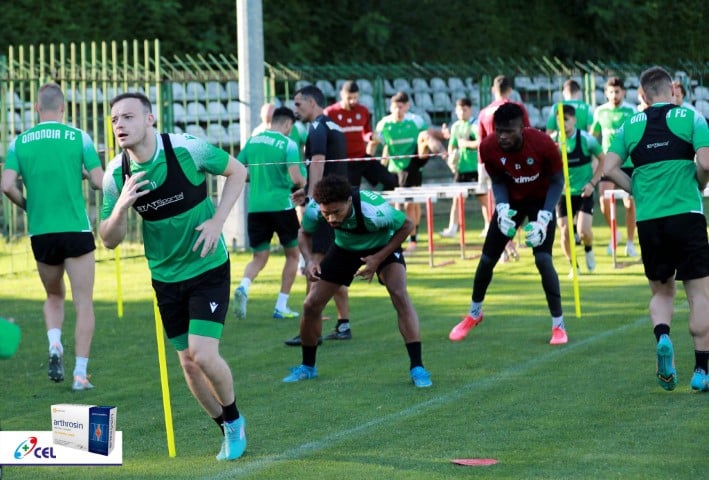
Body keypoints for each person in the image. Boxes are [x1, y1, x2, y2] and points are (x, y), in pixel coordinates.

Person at [99, 92, 248, 460]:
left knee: (202, 353)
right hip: (165, 278)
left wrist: (218, 221)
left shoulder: (186, 149)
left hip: (207, 266)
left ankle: (234, 420)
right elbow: (109, 240)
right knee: (188, 364)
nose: (120, 125)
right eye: (115, 119)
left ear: (150, 119)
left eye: (128, 117)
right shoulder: (116, 174)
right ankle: (225, 427)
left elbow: (238, 171)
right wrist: (121, 207)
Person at [603, 66, 709, 392]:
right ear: (672, 91)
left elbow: (609, 167)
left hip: (649, 220)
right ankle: (701, 371)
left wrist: (635, 188)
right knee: (700, 294)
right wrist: (699, 182)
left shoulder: (629, 124)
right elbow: (706, 163)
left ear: (642, 95)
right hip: (687, 214)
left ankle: (663, 335)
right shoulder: (691, 117)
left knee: (662, 292)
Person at [282, 174, 432, 388]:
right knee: (311, 304)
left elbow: (407, 225)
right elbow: (304, 233)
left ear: (349, 201)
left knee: (399, 293)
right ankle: (307, 367)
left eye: (337, 212)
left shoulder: (373, 209)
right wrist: (310, 260)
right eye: (327, 213)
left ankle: (418, 367)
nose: (331, 219)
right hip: (344, 250)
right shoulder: (315, 208)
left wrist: (378, 258)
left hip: (383, 247)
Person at [1, 82, 103, 391]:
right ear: (63, 108)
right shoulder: (79, 137)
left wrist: (27, 205)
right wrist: (86, 175)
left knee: (54, 296)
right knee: (83, 302)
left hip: (42, 233)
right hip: (75, 230)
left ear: (36, 108)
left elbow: (6, 185)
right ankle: (80, 375)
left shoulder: (19, 143)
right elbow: (100, 181)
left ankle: (54, 344)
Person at [448, 103, 568, 345]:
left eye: (509, 131)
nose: (502, 136)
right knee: (486, 259)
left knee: (543, 260)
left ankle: (558, 325)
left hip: (540, 202)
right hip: (512, 202)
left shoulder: (543, 143)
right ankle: (474, 313)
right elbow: (498, 180)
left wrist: (545, 216)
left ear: (522, 128)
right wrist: (501, 207)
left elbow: (557, 181)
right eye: (499, 130)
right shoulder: (488, 146)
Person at [285, 85, 351, 345]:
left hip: (326, 207)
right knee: (333, 268)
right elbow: (332, 169)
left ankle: (310, 331)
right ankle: (343, 325)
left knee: (315, 267)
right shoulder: (333, 126)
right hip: (338, 203)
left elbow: (319, 161)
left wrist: (312, 197)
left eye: (298, 104)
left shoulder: (316, 127)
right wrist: (307, 190)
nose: (295, 109)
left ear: (312, 102)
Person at [232, 107, 306, 321]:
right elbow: (296, 179)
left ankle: (244, 286)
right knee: (293, 255)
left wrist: (257, 176)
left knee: (259, 257)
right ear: (288, 124)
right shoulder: (288, 144)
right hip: (281, 205)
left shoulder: (252, 141)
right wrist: (307, 183)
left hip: (256, 208)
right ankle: (281, 305)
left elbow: (238, 168)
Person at [371, 91, 445, 255]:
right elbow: (381, 143)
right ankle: (395, 238)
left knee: (410, 204)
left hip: (412, 167)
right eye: (394, 107)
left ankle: (413, 240)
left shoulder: (415, 121)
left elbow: (429, 133)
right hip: (393, 168)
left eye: (400, 107)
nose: (397, 110)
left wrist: (442, 135)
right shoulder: (383, 124)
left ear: (407, 106)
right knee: (393, 205)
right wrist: (380, 160)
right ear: (390, 107)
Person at [476, 75, 531, 261]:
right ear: (510, 90)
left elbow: (481, 142)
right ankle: (506, 242)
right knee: (518, 203)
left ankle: (504, 245)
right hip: (515, 162)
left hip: (492, 163)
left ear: (493, 89)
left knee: (499, 204)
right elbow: (527, 134)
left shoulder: (484, 112)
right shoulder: (517, 108)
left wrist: (481, 167)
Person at [554, 105, 605, 278]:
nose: (562, 123)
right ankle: (573, 265)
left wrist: (592, 183)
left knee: (583, 232)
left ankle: (588, 249)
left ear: (574, 120)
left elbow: (602, 159)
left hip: (584, 191)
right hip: (563, 193)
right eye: (559, 120)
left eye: (566, 119)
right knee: (564, 231)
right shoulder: (554, 141)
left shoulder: (586, 139)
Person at [591, 77, 638, 257]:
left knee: (629, 203)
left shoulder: (631, 111)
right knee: (603, 200)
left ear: (623, 92)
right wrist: (594, 158)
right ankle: (614, 234)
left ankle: (630, 243)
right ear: (606, 93)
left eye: (617, 91)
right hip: (608, 163)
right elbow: (593, 136)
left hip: (628, 163)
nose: (614, 95)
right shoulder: (600, 111)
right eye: (610, 92)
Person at [323, 80, 396, 190]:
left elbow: (366, 132)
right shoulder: (330, 113)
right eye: (349, 98)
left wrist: (372, 136)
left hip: (362, 157)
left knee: (390, 181)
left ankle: (376, 200)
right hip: (344, 161)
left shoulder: (363, 110)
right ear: (341, 95)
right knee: (350, 191)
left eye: (355, 97)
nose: (353, 101)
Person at [440, 97, 489, 238]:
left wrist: (466, 144)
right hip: (461, 168)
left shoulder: (475, 125)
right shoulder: (455, 126)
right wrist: (451, 159)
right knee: (457, 199)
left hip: (475, 167)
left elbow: (481, 142)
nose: (462, 112)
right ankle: (452, 228)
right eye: (459, 110)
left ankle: (488, 226)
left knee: (484, 199)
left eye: (465, 110)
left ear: (470, 110)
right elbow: (452, 145)